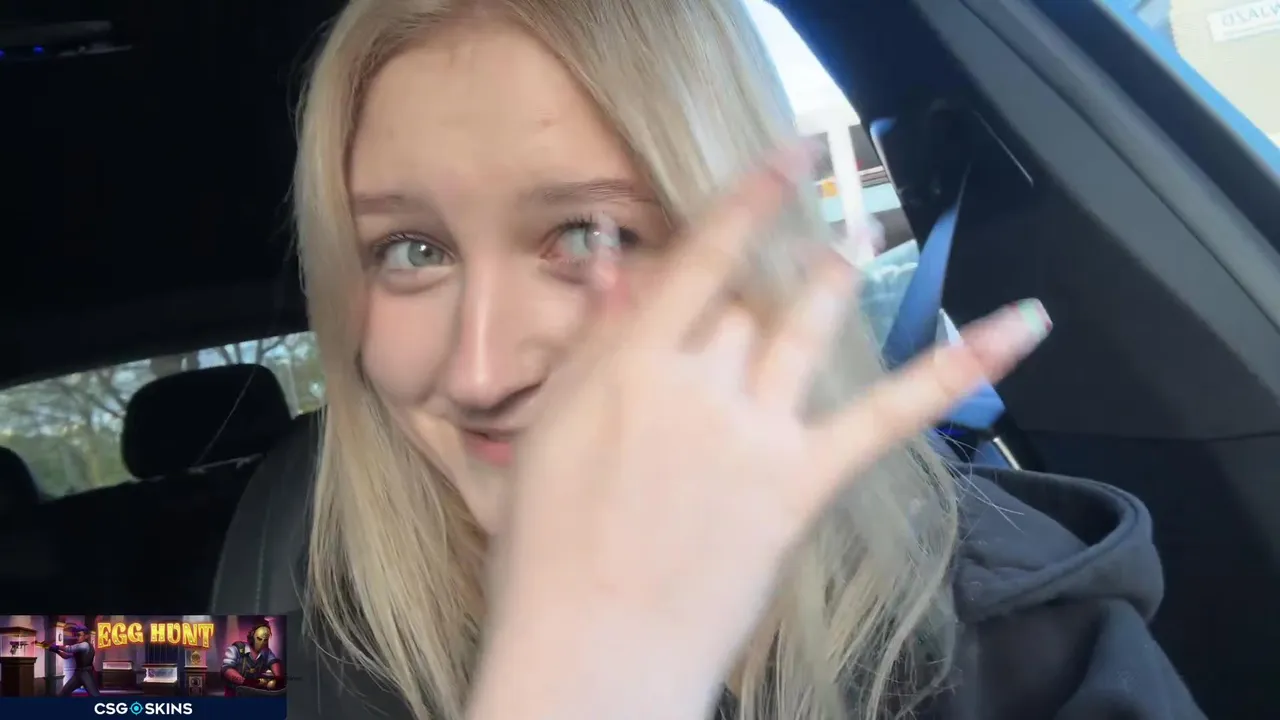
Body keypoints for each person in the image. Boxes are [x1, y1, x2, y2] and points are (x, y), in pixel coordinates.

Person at [254, 0, 1205, 718]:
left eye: (589, 234)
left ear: (758, 261)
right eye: (411, 251)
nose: (480, 373)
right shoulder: (271, 602)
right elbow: (154, 689)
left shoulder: (1030, 652)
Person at [34, 623, 100, 697]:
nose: (77, 637)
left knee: (95, 695)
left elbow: (69, 649)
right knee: (64, 693)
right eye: (76, 635)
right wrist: (53, 649)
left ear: (86, 636)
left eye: (79, 635)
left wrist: (53, 646)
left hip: (86, 674)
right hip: (78, 674)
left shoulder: (85, 645)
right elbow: (66, 656)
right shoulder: (80, 647)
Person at [220, 619, 283, 696]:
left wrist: (278, 678)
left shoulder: (266, 651)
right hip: (234, 693)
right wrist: (246, 682)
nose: (262, 643)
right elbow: (226, 669)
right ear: (252, 636)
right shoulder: (236, 649)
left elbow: (273, 662)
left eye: (265, 640)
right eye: (259, 639)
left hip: (254, 693)